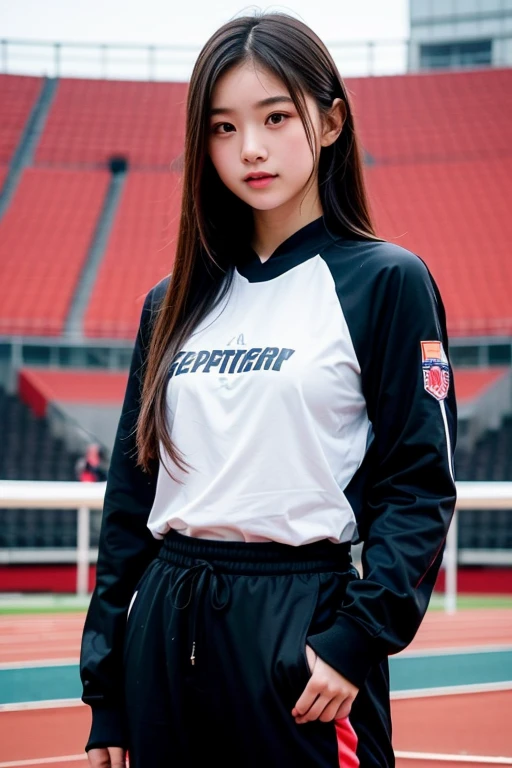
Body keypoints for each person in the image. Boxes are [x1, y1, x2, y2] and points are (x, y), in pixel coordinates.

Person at [80, 12, 457, 768]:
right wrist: (107, 689)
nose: (249, 148)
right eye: (222, 127)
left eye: (275, 116)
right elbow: (131, 502)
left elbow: (418, 487)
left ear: (330, 121)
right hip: (167, 628)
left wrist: (353, 640)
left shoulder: (386, 282)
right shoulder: (172, 302)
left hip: (300, 634)